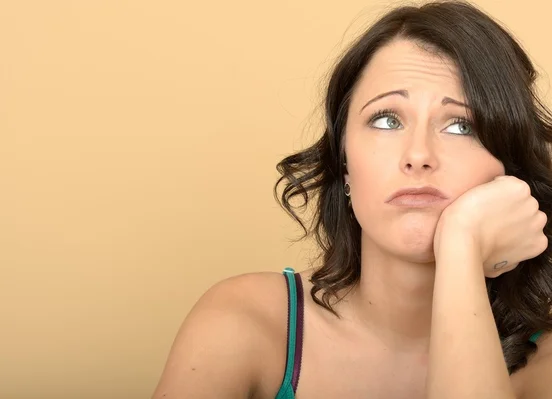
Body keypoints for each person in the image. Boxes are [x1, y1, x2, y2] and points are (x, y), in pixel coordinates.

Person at [153, 1, 552, 398]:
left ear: (510, 169)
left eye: (462, 125)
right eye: (386, 119)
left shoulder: (542, 359)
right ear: (344, 165)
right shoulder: (245, 321)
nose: (418, 155)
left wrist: (461, 243)